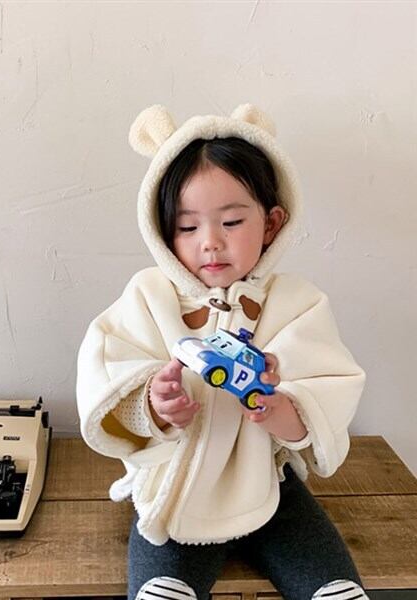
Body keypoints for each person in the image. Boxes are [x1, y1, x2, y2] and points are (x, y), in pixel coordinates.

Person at [76, 103, 367, 600]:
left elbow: (328, 390)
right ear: (162, 231)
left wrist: (282, 409)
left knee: (332, 583)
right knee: (162, 582)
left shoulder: (298, 303)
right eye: (188, 228)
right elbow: (108, 372)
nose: (210, 243)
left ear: (271, 224)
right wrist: (153, 403)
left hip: (268, 484)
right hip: (177, 487)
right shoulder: (149, 296)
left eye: (231, 221)